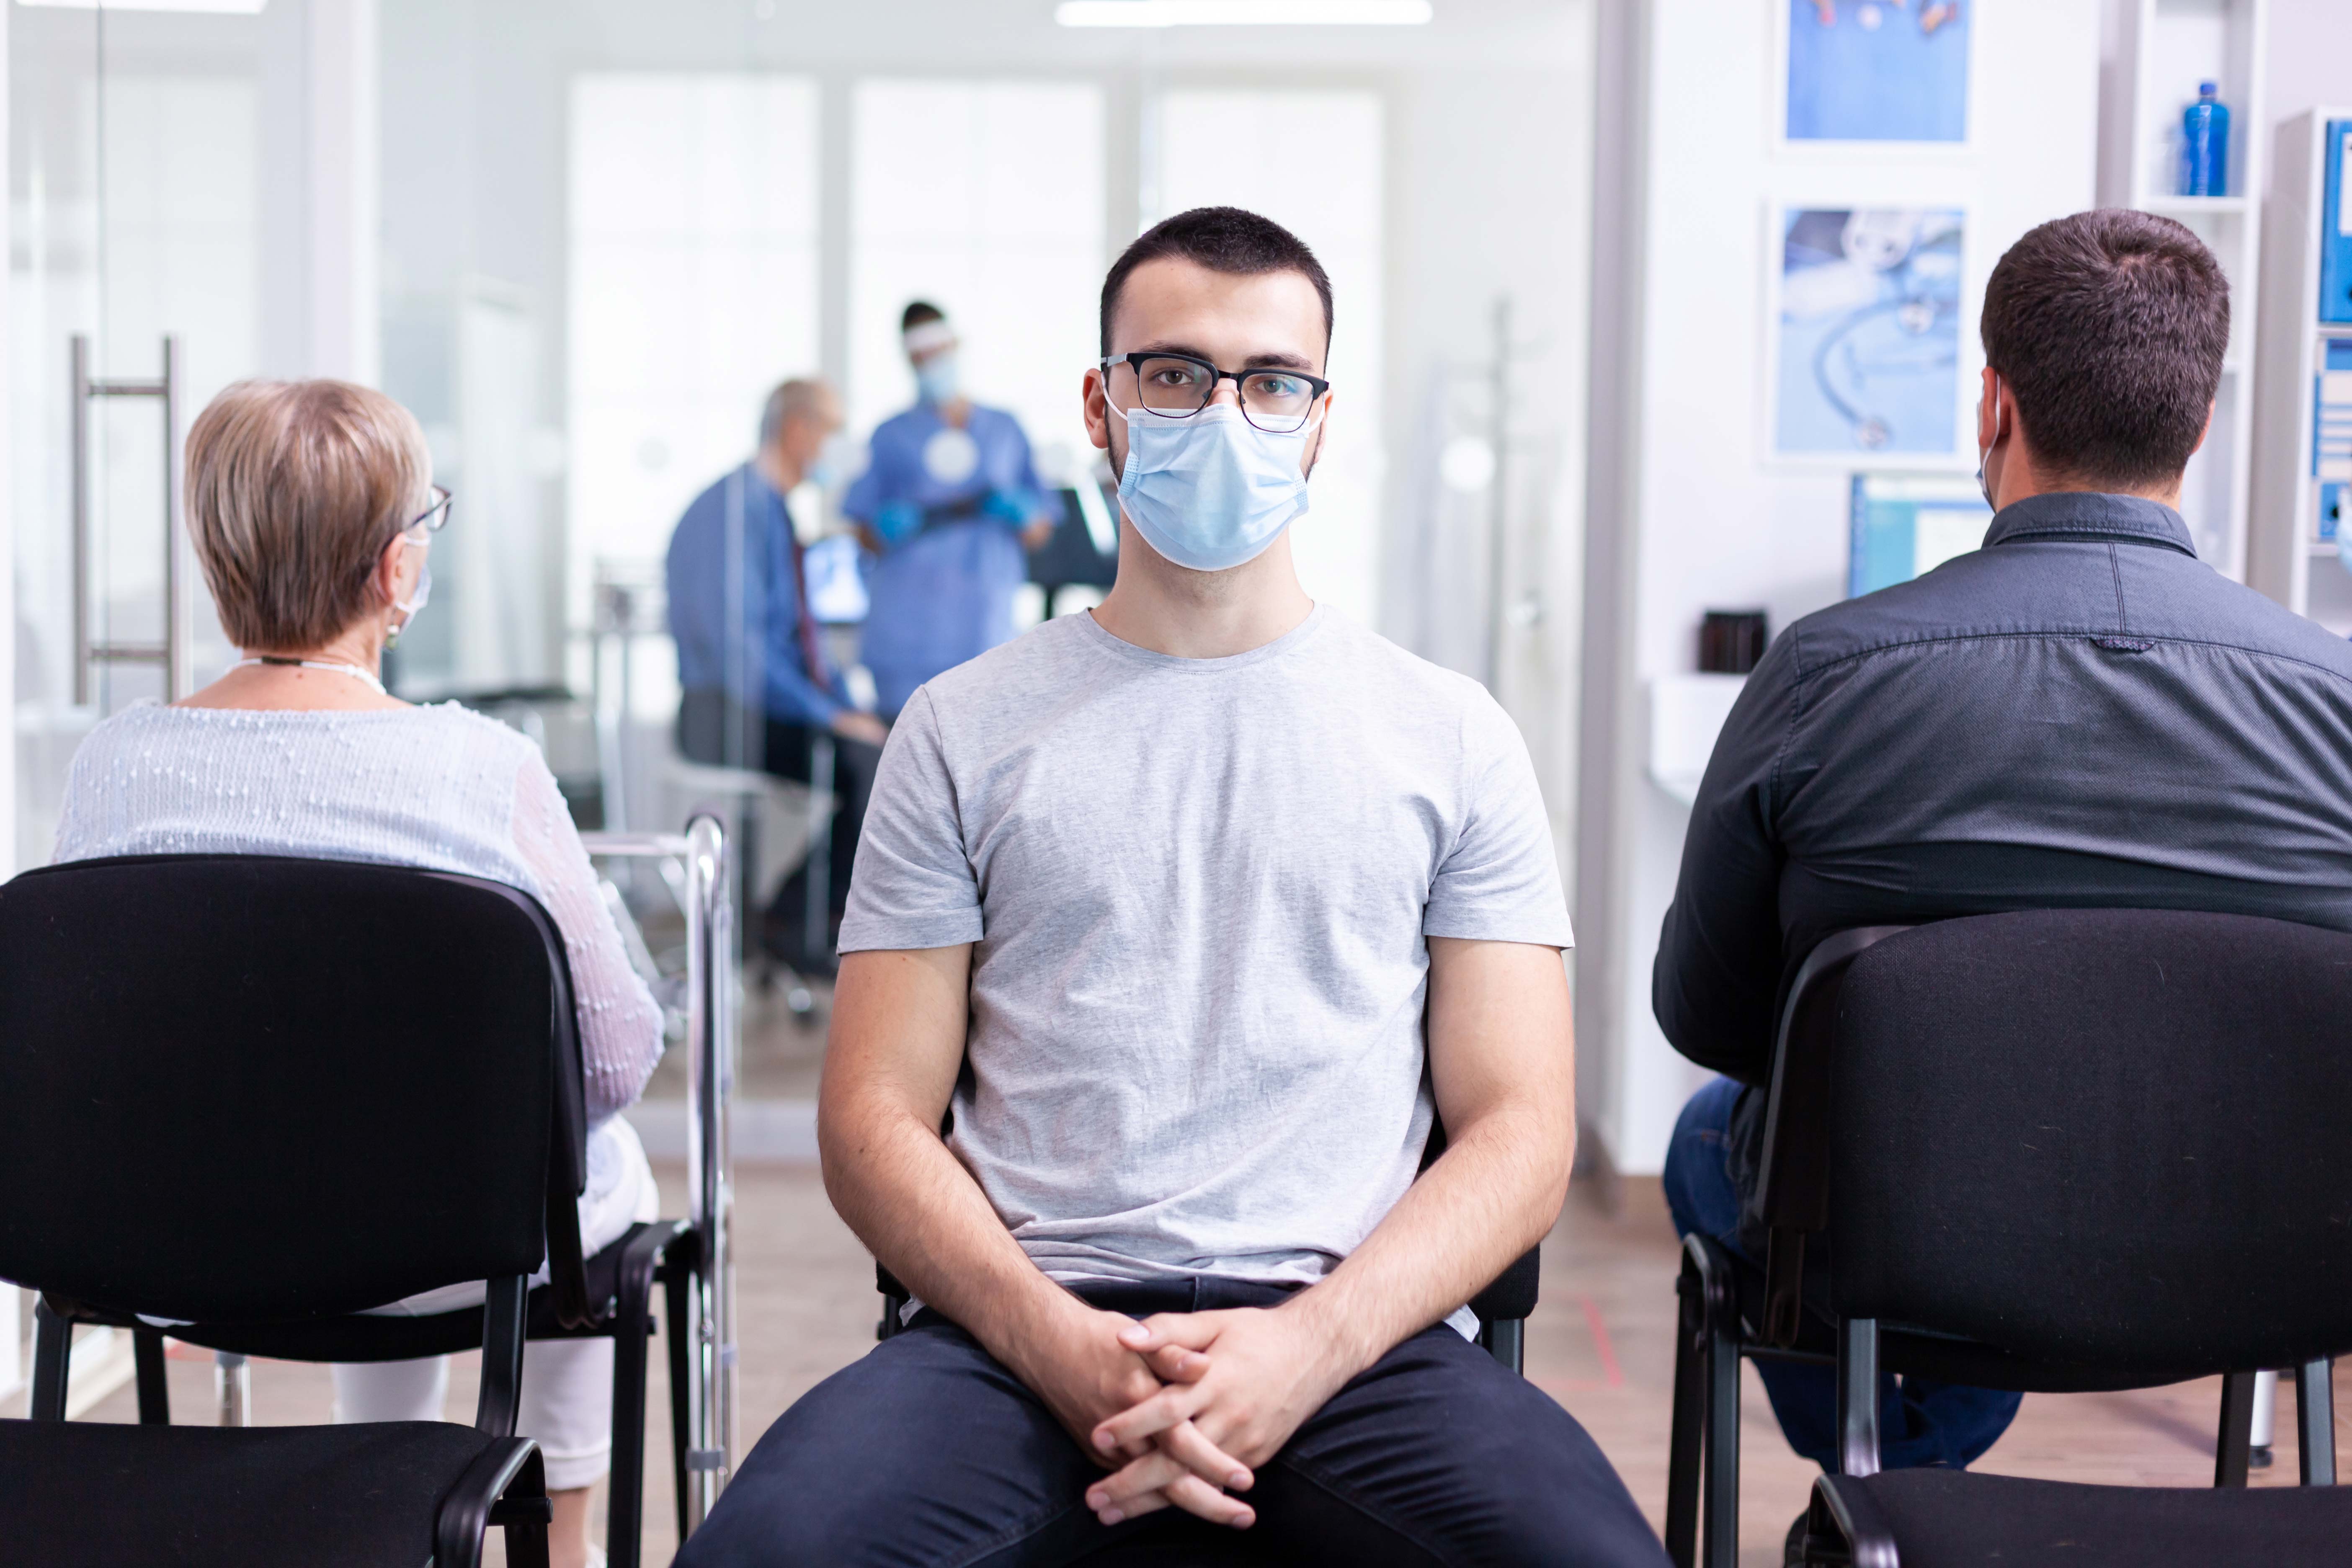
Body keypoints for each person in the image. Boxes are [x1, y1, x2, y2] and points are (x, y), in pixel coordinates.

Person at [680, 208, 1666, 1566]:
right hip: (1012, 1341)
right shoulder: (961, 728)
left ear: (1319, 420)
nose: (1225, 414)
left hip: (1348, 1343)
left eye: (1270, 382)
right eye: (1174, 375)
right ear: (1102, 405)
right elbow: (869, 1116)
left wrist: (1305, 1347)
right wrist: (1061, 1345)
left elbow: (1517, 1129)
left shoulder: (1448, 735)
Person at [1654, 208, 2352, 1526]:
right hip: (2266, 1256)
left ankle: (1892, 1502)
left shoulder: (1825, 675)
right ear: (2199, 427)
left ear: (1990, 407)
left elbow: (1708, 1017)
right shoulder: (2339, 698)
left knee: (1720, 1137)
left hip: (1897, 1250)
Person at [51, 378, 663, 1568]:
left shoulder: (111, 769)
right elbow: (614, 1056)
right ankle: (566, 1530)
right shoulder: (481, 767)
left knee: (382, 1146)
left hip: (181, 1257)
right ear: (395, 573)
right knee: (595, 1162)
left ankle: (373, 1500)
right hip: (447, 1263)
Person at [668, 378, 888, 971]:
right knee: (872, 765)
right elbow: (740, 656)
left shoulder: (774, 514)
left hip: (766, 701)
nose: (841, 447)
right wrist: (832, 717)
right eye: (834, 430)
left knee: (906, 739)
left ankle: (816, 916)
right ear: (798, 431)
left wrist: (852, 708)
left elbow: (802, 640)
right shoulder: (730, 514)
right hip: (721, 711)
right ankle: (792, 922)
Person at [842, 302, 1059, 718]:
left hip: (983, 630)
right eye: (920, 358)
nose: (932, 364)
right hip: (905, 638)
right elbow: (862, 534)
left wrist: (1022, 511)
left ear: (956, 346)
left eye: (938, 352)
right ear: (907, 361)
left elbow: (1040, 530)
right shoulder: (890, 436)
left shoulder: (1005, 430)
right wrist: (885, 527)